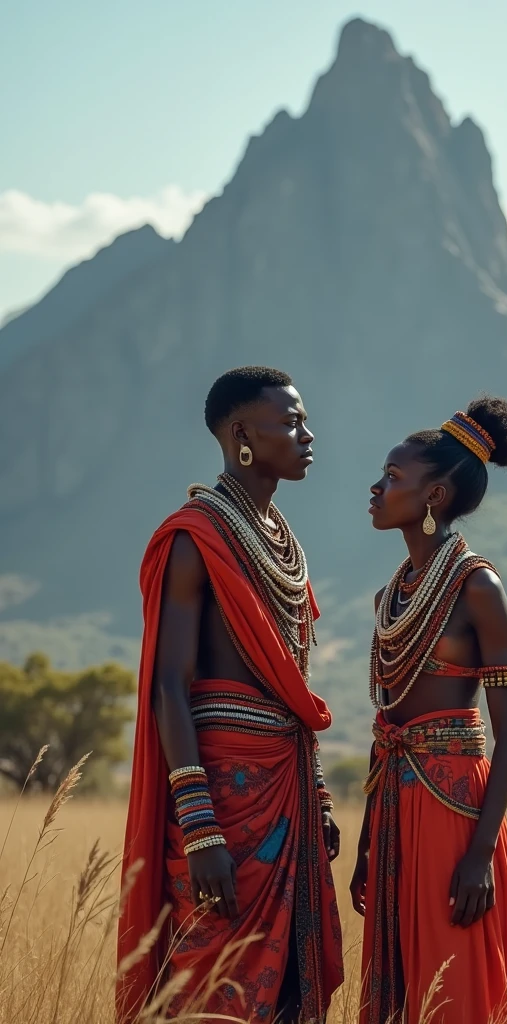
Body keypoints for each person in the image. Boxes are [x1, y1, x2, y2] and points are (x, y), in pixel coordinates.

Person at [117, 366, 343, 1024]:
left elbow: (291, 687)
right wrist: (199, 827)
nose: (307, 435)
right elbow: (169, 684)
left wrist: (318, 793)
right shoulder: (195, 538)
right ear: (243, 434)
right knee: (210, 990)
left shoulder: (279, 538)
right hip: (221, 801)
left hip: (285, 791)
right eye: (292, 422)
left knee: (285, 994)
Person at [351, 396, 507, 1024]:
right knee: (397, 983)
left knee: (452, 987)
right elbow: (388, 728)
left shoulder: (479, 588)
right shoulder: (389, 595)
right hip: (394, 813)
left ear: (434, 496)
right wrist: (364, 849)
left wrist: (480, 854)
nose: (376, 489)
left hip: (455, 812)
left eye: (393, 478)